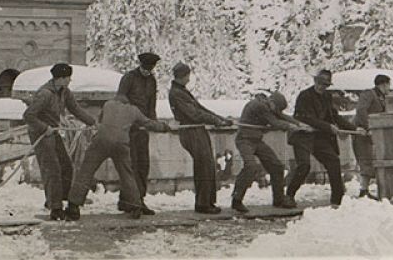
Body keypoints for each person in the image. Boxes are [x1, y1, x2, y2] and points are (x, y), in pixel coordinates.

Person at [65, 94, 170, 221]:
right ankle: (136, 205)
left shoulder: (108, 104)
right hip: (121, 144)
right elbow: (149, 123)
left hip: (101, 141)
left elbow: (100, 121)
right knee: (127, 174)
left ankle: (73, 206)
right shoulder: (134, 110)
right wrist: (164, 127)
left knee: (86, 171)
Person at [23, 63, 97, 220]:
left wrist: (93, 123)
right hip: (40, 133)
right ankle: (55, 208)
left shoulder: (65, 92)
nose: (70, 80)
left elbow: (76, 109)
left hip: (53, 131)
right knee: (52, 169)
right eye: (68, 78)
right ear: (61, 78)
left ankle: (57, 199)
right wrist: (44, 128)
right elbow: (28, 116)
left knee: (66, 165)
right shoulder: (45, 94)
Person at [284, 69, 365, 207]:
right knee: (304, 166)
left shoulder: (327, 97)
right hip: (302, 136)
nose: (322, 87)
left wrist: (354, 128)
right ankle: (289, 196)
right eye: (320, 83)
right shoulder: (304, 96)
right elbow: (305, 118)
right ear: (315, 81)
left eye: (325, 85)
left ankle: (337, 200)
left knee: (333, 161)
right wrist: (328, 127)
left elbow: (334, 116)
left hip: (318, 136)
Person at [168, 62, 233, 214]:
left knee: (206, 165)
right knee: (204, 166)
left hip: (196, 130)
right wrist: (216, 120)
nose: (189, 78)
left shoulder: (181, 91)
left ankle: (206, 202)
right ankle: (203, 204)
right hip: (191, 131)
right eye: (187, 75)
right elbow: (194, 114)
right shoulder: (177, 93)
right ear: (183, 76)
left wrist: (220, 119)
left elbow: (201, 109)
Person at [231, 91, 309, 213]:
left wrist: (298, 123)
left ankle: (279, 200)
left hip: (257, 140)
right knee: (250, 166)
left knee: (276, 166)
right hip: (244, 140)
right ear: (272, 102)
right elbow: (275, 122)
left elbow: (281, 116)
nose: (276, 111)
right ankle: (236, 200)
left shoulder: (268, 105)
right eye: (277, 108)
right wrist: (290, 126)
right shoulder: (259, 105)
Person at [117, 51, 159, 214]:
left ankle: (137, 199)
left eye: (150, 68)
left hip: (143, 129)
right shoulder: (129, 78)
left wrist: (152, 123)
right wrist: (131, 118)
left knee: (143, 164)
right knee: (131, 165)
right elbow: (121, 99)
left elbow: (152, 105)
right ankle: (131, 201)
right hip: (129, 128)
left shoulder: (152, 81)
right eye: (146, 67)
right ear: (141, 65)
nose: (148, 71)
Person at [353, 74, 390, 199]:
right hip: (363, 133)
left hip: (373, 135)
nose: (389, 88)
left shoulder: (381, 97)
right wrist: (368, 127)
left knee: (372, 161)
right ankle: (363, 191)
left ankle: (366, 190)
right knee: (366, 161)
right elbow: (361, 110)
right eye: (388, 85)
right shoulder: (369, 94)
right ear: (383, 84)